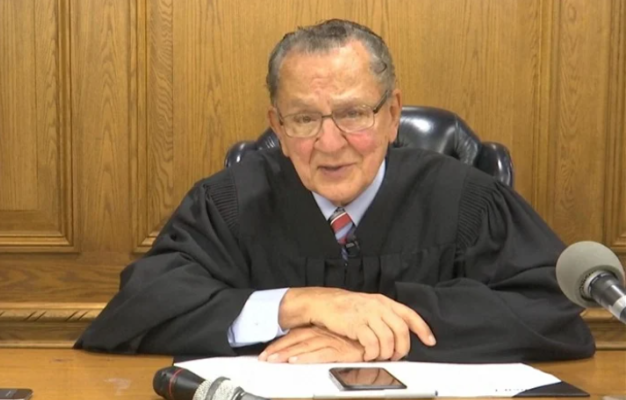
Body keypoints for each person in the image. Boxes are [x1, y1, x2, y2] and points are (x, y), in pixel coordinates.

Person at [75, 19, 595, 363]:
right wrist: (296, 304)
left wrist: (373, 332)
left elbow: (552, 313)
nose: (329, 143)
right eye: (304, 119)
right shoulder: (229, 203)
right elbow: (136, 312)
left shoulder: (466, 200)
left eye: (353, 114)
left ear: (392, 115)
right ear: (277, 126)